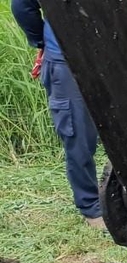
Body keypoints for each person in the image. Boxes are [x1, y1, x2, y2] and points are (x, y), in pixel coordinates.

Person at [11, 0, 104, 229]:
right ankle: (92, 208)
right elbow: (23, 7)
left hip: (113, 56)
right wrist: (44, 41)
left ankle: (125, 199)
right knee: (77, 133)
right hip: (67, 58)